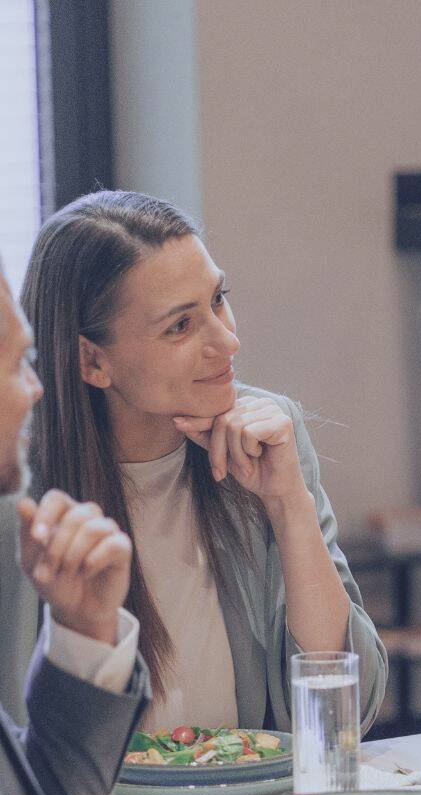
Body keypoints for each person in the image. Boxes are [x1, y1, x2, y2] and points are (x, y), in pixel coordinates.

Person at [0, 259, 421, 795]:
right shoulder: (29, 501)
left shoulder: (258, 438)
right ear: (93, 360)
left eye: (219, 304)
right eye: (16, 368)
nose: (34, 393)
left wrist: (86, 635)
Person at [20, 190, 385, 736]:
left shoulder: (270, 435)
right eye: (180, 327)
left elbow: (343, 719)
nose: (228, 340)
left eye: (218, 299)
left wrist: (289, 507)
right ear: (91, 361)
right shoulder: (20, 493)